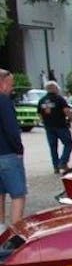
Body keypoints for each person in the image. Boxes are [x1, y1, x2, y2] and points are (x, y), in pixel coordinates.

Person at [0, 69, 26, 229]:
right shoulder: (3, 101)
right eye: (10, 84)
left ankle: (0, 228)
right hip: (7, 153)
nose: (12, 88)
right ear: (2, 83)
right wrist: (19, 149)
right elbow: (11, 129)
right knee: (18, 194)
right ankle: (15, 231)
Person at [38, 80, 72, 173]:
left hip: (48, 126)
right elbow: (66, 110)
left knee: (53, 147)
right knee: (68, 144)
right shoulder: (59, 99)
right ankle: (63, 162)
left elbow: (40, 114)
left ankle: (56, 167)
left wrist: (44, 122)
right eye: (57, 88)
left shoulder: (41, 100)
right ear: (54, 88)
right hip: (60, 125)